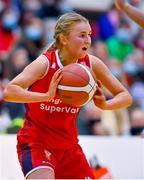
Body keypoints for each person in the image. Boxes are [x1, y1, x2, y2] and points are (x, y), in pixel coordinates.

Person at [3, 12, 132, 179]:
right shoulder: (45, 63)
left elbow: (125, 96)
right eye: (82, 35)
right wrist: (45, 96)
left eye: (89, 35)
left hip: (69, 147)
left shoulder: (91, 64)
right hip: (37, 143)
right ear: (64, 39)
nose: (88, 40)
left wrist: (105, 105)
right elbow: (9, 91)